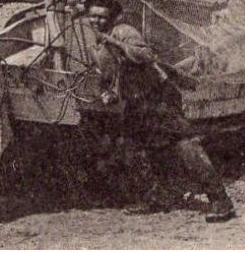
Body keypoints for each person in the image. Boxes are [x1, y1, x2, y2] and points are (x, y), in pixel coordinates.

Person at [99, 22, 235, 224]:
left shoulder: (125, 31)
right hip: (136, 101)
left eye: (101, 16)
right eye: (92, 16)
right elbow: (110, 75)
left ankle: (221, 200)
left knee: (184, 144)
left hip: (159, 97)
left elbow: (145, 55)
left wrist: (114, 42)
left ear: (109, 16)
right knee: (137, 147)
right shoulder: (99, 43)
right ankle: (155, 197)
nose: (96, 20)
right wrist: (107, 92)